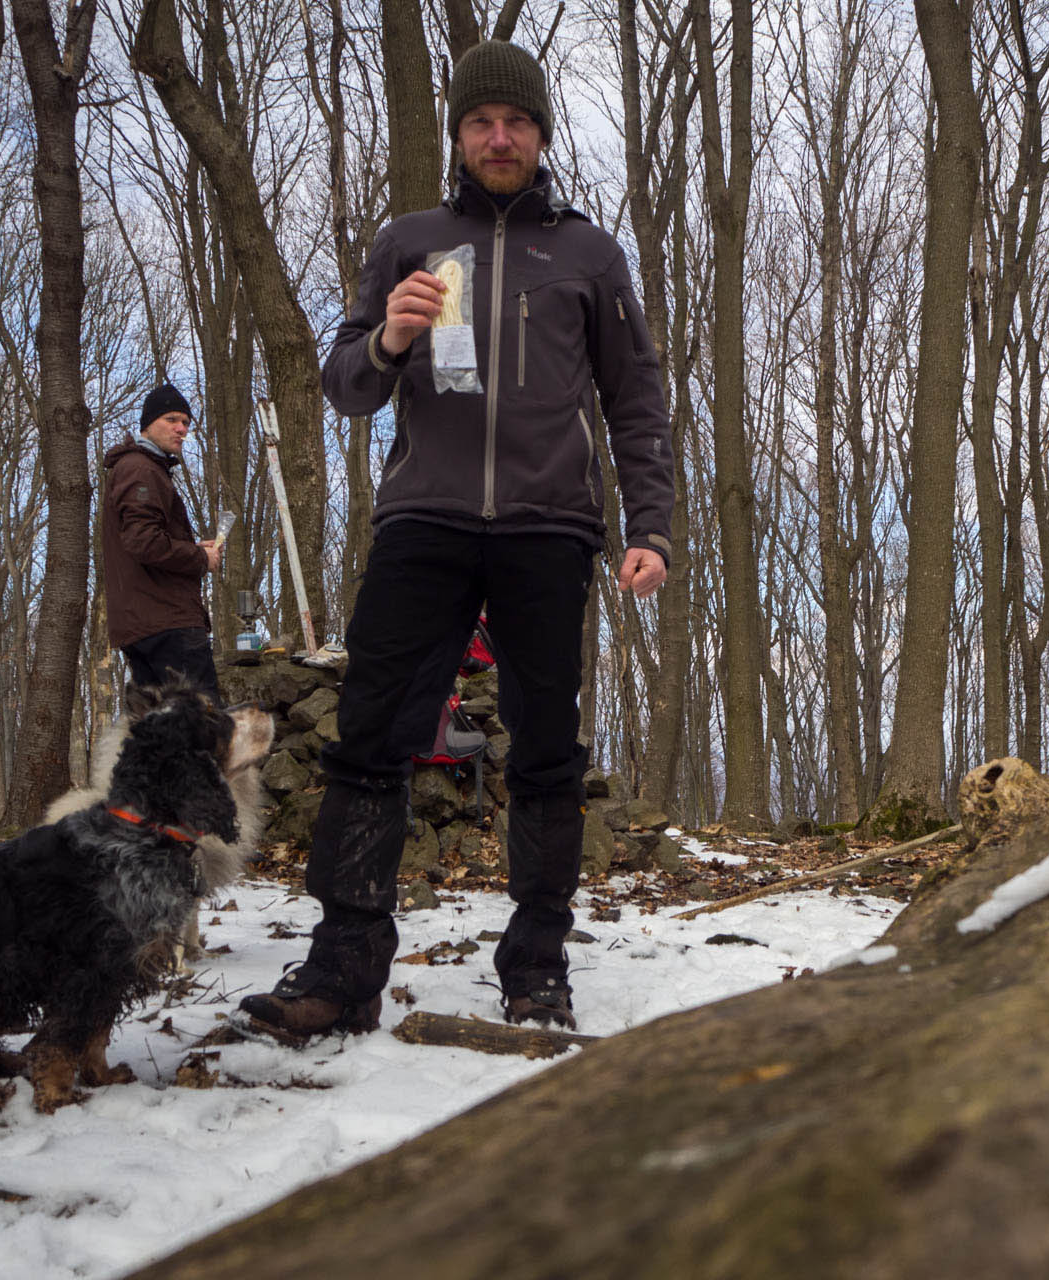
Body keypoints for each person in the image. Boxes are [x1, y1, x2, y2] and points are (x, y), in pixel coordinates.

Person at [236, 40, 674, 1041]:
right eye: (481, 122)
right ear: (460, 136)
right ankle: (343, 970)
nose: (499, 136)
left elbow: (636, 402)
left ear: (542, 134)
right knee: (368, 738)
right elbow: (345, 386)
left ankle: (537, 968)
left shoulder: (591, 255)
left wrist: (646, 525)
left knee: (547, 751)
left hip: (548, 529)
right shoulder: (411, 242)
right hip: (423, 520)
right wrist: (388, 335)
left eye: (516, 121)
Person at [101, 384, 223, 699]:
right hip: (167, 622)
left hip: (145, 622)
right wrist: (199, 559)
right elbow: (143, 541)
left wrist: (193, 550)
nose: (181, 429)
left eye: (186, 422)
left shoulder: (141, 468)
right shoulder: (141, 470)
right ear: (148, 423)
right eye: (172, 419)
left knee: (162, 734)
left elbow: (145, 538)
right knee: (202, 725)